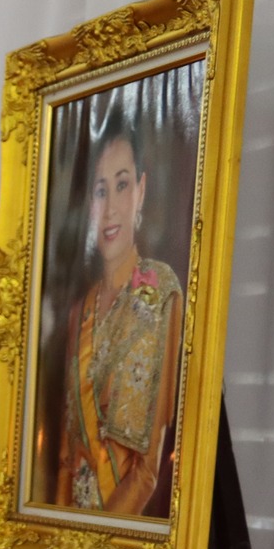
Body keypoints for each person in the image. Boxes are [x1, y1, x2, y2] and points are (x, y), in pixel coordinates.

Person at [53, 114, 183, 518]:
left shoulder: (162, 294)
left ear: (141, 190)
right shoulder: (80, 312)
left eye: (122, 185)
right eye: (99, 190)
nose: (110, 209)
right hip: (72, 534)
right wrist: (61, 540)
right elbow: (65, 460)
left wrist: (97, 539)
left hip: (124, 530)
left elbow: (148, 469)